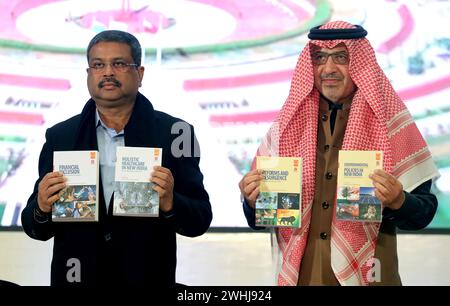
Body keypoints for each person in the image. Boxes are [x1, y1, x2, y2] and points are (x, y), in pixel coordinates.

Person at [239, 21, 439, 286]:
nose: (329, 69)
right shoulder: (286, 129)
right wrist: (252, 203)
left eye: (341, 57)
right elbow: (263, 218)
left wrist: (398, 200)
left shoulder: (392, 126)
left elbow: (424, 212)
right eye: (319, 58)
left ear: (360, 63)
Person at [21, 30, 212, 287]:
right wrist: (42, 208)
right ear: (88, 74)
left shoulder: (176, 133)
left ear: (140, 74)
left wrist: (170, 202)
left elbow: (200, 219)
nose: (108, 72)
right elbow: (36, 228)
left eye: (119, 64)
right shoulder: (60, 136)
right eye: (98, 65)